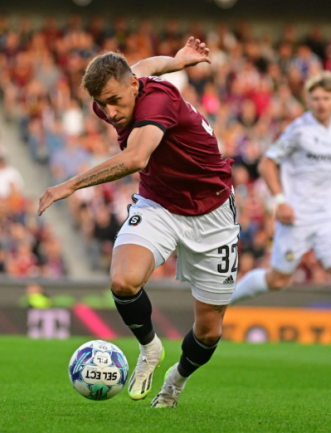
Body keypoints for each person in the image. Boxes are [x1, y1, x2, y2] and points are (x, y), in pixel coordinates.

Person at [38, 37, 235, 408]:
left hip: (213, 213)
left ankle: (175, 381)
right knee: (123, 281)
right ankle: (150, 349)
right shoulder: (127, 83)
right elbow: (148, 64)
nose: (110, 112)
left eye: (114, 101)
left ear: (131, 87)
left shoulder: (158, 100)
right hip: (159, 202)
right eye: (101, 104)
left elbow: (135, 158)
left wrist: (69, 185)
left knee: (209, 332)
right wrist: (178, 60)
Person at [230, 72, 331, 369]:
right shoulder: (298, 130)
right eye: (315, 98)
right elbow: (267, 163)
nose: (321, 103)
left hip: (326, 217)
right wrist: (280, 202)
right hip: (295, 217)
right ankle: (223, 300)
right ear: (308, 100)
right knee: (278, 279)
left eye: (326, 98)